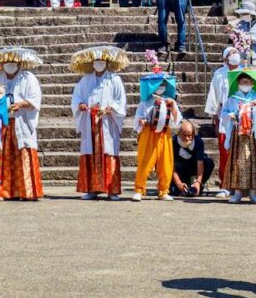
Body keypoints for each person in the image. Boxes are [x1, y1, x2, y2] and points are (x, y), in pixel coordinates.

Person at [0, 47, 45, 201]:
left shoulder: (28, 78)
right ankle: (4, 191)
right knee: (3, 154)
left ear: (19, 62)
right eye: (7, 62)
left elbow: (35, 98)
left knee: (23, 152)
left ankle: (26, 191)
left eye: (13, 62)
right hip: (4, 121)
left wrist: (22, 104)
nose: (10, 64)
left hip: (22, 120)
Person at [71, 46, 128, 200]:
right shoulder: (85, 79)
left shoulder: (114, 79)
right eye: (96, 61)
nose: (99, 63)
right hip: (90, 120)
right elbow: (77, 97)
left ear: (107, 62)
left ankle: (112, 189)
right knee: (90, 152)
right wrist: (80, 105)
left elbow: (120, 100)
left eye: (102, 61)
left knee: (109, 152)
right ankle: (91, 189)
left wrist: (112, 108)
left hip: (107, 121)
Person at [219, 68, 256, 204]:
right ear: (238, 82)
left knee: (254, 162)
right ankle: (237, 192)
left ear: (252, 82)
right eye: (243, 81)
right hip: (238, 135)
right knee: (238, 162)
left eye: (248, 81)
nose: (246, 83)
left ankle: (253, 192)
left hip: (253, 135)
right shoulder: (232, 98)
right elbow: (224, 112)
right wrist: (229, 115)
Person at [132, 68, 182, 201]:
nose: (161, 87)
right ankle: (139, 189)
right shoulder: (145, 101)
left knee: (166, 162)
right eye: (158, 85)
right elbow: (138, 118)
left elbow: (176, 121)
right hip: (149, 133)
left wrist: (172, 108)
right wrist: (141, 121)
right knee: (145, 161)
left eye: (164, 85)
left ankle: (163, 190)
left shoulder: (170, 101)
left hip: (165, 134)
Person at [205, 47, 241, 198]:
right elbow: (214, 95)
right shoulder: (220, 74)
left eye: (236, 52)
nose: (234, 55)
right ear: (225, 58)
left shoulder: (245, 72)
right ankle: (225, 185)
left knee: (241, 152)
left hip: (242, 115)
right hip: (225, 117)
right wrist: (214, 114)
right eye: (231, 53)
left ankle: (241, 185)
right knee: (225, 151)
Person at [171, 120, 214, 197]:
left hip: (193, 167)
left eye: (190, 135)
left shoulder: (198, 141)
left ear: (193, 134)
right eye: (184, 135)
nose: (187, 139)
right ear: (179, 133)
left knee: (208, 163)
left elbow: (200, 163)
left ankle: (198, 187)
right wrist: (178, 183)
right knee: (176, 191)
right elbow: (171, 165)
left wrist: (198, 182)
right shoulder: (173, 141)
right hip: (179, 170)